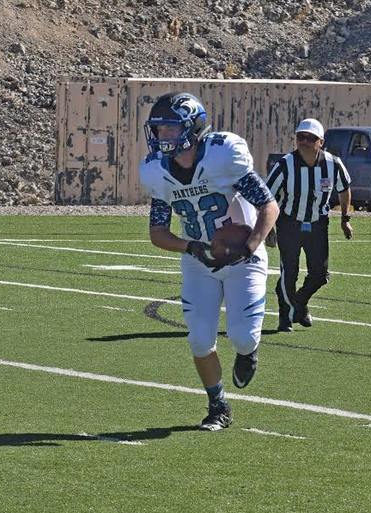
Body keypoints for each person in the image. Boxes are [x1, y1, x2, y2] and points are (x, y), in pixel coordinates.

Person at [139, 92, 279, 431]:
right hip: (199, 260)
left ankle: (248, 352)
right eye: (159, 129)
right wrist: (192, 248)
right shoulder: (157, 171)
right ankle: (218, 405)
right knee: (200, 340)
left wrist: (250, 246)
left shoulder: (222, 157)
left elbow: (268, 205)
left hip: (242, 258)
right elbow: (158, 232)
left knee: (243, 337)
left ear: (192, 128)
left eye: (171, 128)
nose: (163, 136)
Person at [265, 119, 352, 332]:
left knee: (320, 275)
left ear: (321, 142)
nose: (304, 141)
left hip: (318, 224)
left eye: (310, 138)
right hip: (289, 224)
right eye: (300, 137)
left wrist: (345, 219)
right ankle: (285, 318)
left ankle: (299, 303)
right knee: (289, 273)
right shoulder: (285, 164)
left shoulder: (333, 163)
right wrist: (269, 228)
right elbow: (267, 196)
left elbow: (344, 190)